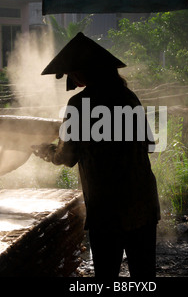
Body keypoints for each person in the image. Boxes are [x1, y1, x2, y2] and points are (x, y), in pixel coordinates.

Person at [35, 32, 160, 278]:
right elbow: (148, 143)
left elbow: (67, 157)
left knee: (106, 275)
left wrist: (44, 150)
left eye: (72, 72)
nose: (71, 78)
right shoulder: (128, 97)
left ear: (82, 73)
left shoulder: (80, 104)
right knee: (144, 275)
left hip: (106, 209)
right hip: (142, 203)